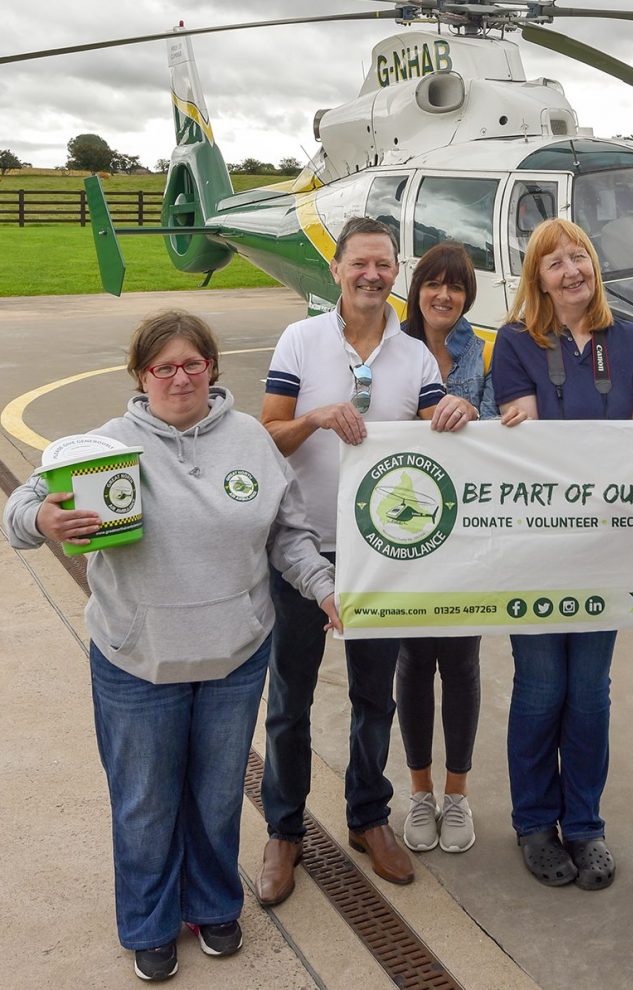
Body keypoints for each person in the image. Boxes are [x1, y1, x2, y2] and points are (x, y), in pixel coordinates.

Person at [3, 310, 339, 983]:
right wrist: (41, 515)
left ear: (211, 367)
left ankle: (213, 904)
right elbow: (21, 513)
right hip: (137, 658)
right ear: (142, 375)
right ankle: (149, 923)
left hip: (233, 659)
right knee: (146, 802)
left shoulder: (251, 440)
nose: (180, 377)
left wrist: (323, 587)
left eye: (193, 363)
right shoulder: (103, 445)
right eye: (165, 366)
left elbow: (289, 534)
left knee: (216, 797)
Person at [257, 217, 472, 901]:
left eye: (383, 265)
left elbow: (440, 431)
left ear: (392, 270)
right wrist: (316, 417)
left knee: (372, 697)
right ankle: (285, 830)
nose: (372, 276)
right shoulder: (301, 339)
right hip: (301, 551)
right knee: (290, 701)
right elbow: (267, 436)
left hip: (381, 556)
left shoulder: (414, 357)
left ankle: (367, 817)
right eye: (360, 264)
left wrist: (457, 412)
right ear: (339, 269)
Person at [491, 218, 633, 890]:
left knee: (589, 694)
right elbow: (531, 449)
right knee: (541, 688)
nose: (570, 270)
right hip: (537, 551)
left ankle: (584, 824)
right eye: (553, 262)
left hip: (606, 549)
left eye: (578, 256)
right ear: (538, 278)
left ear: (595, 266)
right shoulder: (514, 344)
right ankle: (534, 821)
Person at [397, 241, 497, 854]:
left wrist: (473, 410)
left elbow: (490, 420)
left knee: (460, 663)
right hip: (403, 530)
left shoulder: (476, 351)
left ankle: (456, 795)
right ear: (417, 290)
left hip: (461, 533)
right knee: (413, 661)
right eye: (433, 284)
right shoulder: (392, 345)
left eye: (455, 287)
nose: (443, 296)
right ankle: (419, 790)